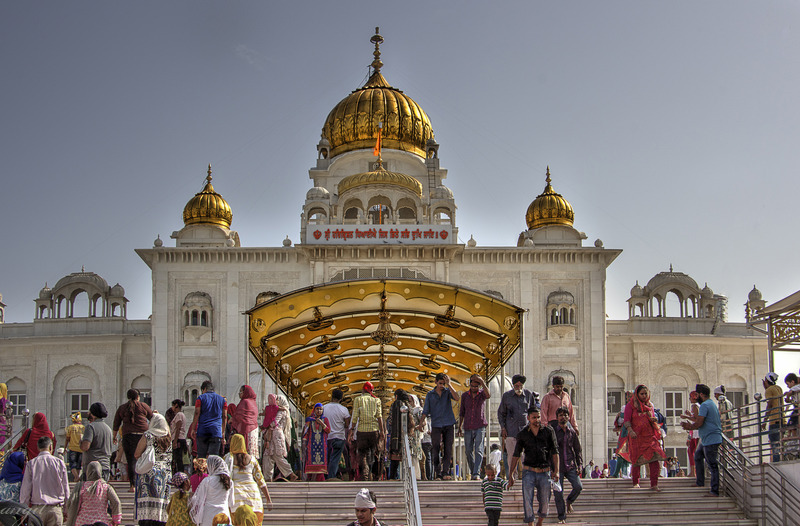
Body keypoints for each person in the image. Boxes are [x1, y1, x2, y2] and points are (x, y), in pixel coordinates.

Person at [507, 406, 559, 526]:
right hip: (529, 471)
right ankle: (530, 522)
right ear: (528, 418)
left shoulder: (548, 431)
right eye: (534, 417)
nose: (536, 420)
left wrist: (556, 470)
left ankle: (540, 521)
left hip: (544, 471)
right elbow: (516, 454)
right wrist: (511, 474)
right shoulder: (523, 434)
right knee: (527, 499)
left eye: (538, 417)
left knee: (545, 500)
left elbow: (555, 451)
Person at [623, 384, 666, 491]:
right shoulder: (631, 406)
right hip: (636, 437)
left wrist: (653, 420)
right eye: (641, 394)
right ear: (637, 394)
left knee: (654, 459)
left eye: (645, 394)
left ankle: (654, 484)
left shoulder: (649, 405)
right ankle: (635, 482)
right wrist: (630, 431)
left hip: (649, 437)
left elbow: (652, 417)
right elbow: (627, 420)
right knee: (636, 460)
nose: (644, 396)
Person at [682, 384, 722, 496]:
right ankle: (700, 482)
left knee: (712, 465)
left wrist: (689, 426)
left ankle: (714, 491)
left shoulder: (705, 405)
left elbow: (699, 422)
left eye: (697, 394)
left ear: (701, 394)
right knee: (698, 456)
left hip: (711, 438)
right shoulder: (711, 403)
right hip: (707, 439)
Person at [20, 436, 70, 526]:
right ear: (51, 447)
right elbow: (66, 488)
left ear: (38, 448)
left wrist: (24, 511)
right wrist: (66, 510)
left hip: (37, 509)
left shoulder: (31, 464)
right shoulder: (59, 463)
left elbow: (26, 490)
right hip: (55, 509)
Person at [134, 413, 172, 526]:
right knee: (161, 500)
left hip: (149, 471)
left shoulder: (148, 435)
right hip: (165, 473)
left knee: (147, 498)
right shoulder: (169, 437)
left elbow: (137, 453)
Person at [497, 374, 539, 478]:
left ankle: (527, 477)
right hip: (511, 431)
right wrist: (503, 428)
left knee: (526, 456)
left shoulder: (528, 395)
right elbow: (501, 413)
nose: (518, 388)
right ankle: (512, 477)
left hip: (525, 431)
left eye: (520, 386)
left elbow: (534, 412)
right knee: (512, 456)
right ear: (513, 385)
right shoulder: (507, 396)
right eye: (516, 386)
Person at [113, 388, 154, 492]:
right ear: (138, 397)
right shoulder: (143, 406)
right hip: (142, 436)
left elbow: (116, 423)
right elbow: (152, 418)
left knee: (131, 460)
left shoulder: (122, 408)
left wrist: (114, 437)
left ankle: (133, 486)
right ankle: (144, 484)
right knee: (144, 459)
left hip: (128, 436)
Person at [223, 434, 272, 521]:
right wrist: (268, 499)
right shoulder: (252, 459)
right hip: (253, 497)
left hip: (236, 498)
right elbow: (261, 481)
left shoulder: (227, 459)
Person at [421, 372, 459, 480]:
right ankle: (437, 473)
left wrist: (449, 384)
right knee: (436, 448)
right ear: (436, 382)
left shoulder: (447, 392)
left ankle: (445, 472)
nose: (442, 386)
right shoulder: (430, 394)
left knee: (448, 448)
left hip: (448, 423)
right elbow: (425, 410)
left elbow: (457, 398)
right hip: (436, 424)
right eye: (440, 383)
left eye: (443, 383)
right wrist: (421, 423)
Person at [65, 460, 122, 526]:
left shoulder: (81, 486)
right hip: (101, 522)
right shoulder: (106, 487)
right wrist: (116, 520)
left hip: (82, 522)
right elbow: (116, 502)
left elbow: (70, 502)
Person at [349, 382, 385, 481]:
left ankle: (365, 474)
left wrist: (352, 430)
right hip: (374, 431)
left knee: (362, 454)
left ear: (363, 390)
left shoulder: (358, 399)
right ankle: (376, 475)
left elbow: (355, 416)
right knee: (376, 453)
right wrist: (382, 431)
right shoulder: (377, 400)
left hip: (362, 432)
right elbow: (379, 417)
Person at [553, 407, 582, 524]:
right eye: (561, 415)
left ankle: (569, 500)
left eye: (565, 415)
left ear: (568, 417)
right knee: (558, 493)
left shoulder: (572, 432)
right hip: (557, 467)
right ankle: (562, 517)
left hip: (570, 465)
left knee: (578, 486)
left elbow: (577, 450)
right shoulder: (553, 433)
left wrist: (579, 465)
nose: (563, 417)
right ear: (557, 418)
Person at [459, 374, 491, 480]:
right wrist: (459, 426)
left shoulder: (482, 394)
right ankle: (473, 470)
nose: (474, 388)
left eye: (476, 386)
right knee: (468, 451)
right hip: (468, 426)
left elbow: (488, 395)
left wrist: (482, 381)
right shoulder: (465, 396)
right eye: (472, 386)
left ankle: (476, 472)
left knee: (478, 449)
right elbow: (462, 412)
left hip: (479, 425)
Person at [188, 455, 235, 526]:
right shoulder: (229, 482)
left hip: (208, 517)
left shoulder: (207, 481)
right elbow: (231, 503)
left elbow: (198, 500)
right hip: (224, 515)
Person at [261, 394, 297, 481]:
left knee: (278, 456)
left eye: (277, 399)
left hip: (276, 436)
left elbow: (274, 422)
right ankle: (267, 478)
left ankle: (291, 474)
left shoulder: (282, 411)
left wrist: (266, 426)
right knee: (267, 457)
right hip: (271, 436)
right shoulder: (275, 410)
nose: (276, 401)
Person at [190, 380, 228, 458]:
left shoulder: (200, 398)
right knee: (213, 458)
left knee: (201, 458)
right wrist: (223, 431)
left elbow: (197, 413)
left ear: (204, 389)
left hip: (203, 431)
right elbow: (224, 416)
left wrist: (193, 429)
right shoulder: (222, 400)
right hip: (216, 431)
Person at [323, 388, 351, 480]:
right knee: (335, 458)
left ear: (332, 396)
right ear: (341, 398)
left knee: (326, 457)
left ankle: (325, 476)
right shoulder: (344, 409)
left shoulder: (324, 408)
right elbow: (347, 424)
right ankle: (331, 477)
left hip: (327, 437)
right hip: (339, 437)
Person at [81, 402, 113, 481]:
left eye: (89, 411)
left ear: (93, 414)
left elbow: (85, 447)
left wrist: (80, 441)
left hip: (92, 468)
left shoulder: (90, 427)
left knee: (90, 489)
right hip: (105, 467)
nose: (88, 413)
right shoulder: (108, 428)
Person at [387, 389, 413, 480]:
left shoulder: (395, 404)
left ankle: (393, 477)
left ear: (396, 396)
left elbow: (390, 420)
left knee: (395, 458)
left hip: (396, 435)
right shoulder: (408, 405)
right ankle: (406, 477)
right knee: (406, 456)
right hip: (407, 435)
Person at [302, 403, 331, 481]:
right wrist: (304, 441)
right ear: (314, 410)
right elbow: (306, 431)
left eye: (320, 409)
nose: (319, 411)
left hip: (322, 445)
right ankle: (311, 477)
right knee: (310, 460)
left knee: (321, 460)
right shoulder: (309, 420)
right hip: (311, 444)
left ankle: (319, 478)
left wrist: (321, 423)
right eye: (317, 409)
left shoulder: (325, 420)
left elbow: (328, 430)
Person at [230, 386, 259, 459]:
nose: (239, 394)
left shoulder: (244, 402)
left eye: (241, 392)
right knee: (251, 452)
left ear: (245, 392)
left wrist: (232, 420)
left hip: (246, 429)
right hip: (253, 428)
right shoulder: (253, 402)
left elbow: (239, 415)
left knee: (245, 450)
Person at [762, 372, 784, 462]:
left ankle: (776, 461)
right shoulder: (778, 388)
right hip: (782, 419)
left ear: (766, 381)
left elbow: (770, 404)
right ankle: (781, 459)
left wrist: (764, 421)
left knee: (774, 443)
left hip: (774, 420)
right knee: (780, 442)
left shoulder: (769, 390)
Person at [683, 391, 701, 477]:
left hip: (696, 433)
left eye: (690, 397)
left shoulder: (695, 406)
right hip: (695, 432)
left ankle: (694, 472)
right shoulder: (698, 406)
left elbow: (696, 419)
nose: (689, 399)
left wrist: (686, 417)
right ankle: (694, 471)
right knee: (693, 451)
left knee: (691, 451)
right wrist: (690, 415)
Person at [65, 413, 84, 482]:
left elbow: (67, 439)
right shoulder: (83, 428)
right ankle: (77, 478)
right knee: (78, 465)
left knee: (72, 464)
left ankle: (76, 477)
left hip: (72, 448)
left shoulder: (70, 427)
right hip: (81, 449)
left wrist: (65, 447)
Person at [170, 399, 188, 475]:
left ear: (176, 406)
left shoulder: (179, 415)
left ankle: (180, 475)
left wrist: (175, 441)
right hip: (180, 438)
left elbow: (178, 427)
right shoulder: (181, 415)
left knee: (178, 459)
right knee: (179, 459)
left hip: (178, 439)